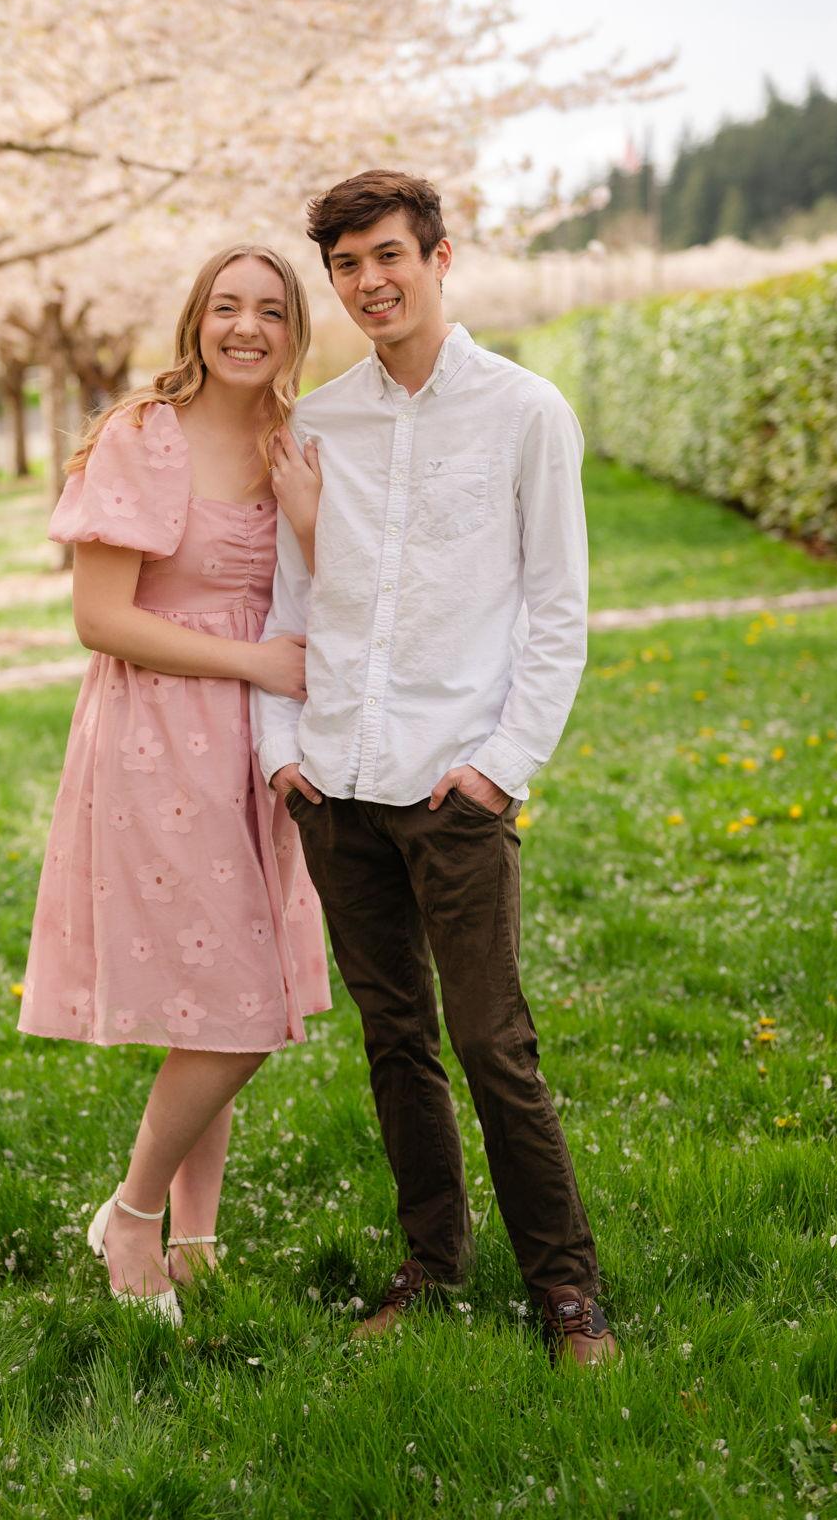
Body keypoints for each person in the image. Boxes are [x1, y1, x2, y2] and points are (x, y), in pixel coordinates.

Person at [252, 169, 621, 1367]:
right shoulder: (317, 422)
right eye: (346, 265)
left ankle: (567, 1291)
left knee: (491, 1040)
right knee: (391, 1036)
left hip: (453, 782)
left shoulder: (525, 413)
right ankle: (431, 1257)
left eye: (387, 257)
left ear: (439, 257)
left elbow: (557, 612)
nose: (368, 282)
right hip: (336, 783)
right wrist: (280, 756)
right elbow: (290, 598)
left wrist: (502, 766)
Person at [16, 244, 333, 1324]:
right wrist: (251, 663)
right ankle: (134, 1215)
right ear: (197, 319)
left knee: (218, 995)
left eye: (270, 311)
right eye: (225, 307)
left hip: (258, 745)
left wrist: (305, 520)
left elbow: (330, 590)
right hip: (156, 737)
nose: (245, 328)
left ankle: (198, 1240)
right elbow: (99, 618)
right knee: (241, 1000)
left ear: (294, 329)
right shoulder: (138, 436)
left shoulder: (294, 441)